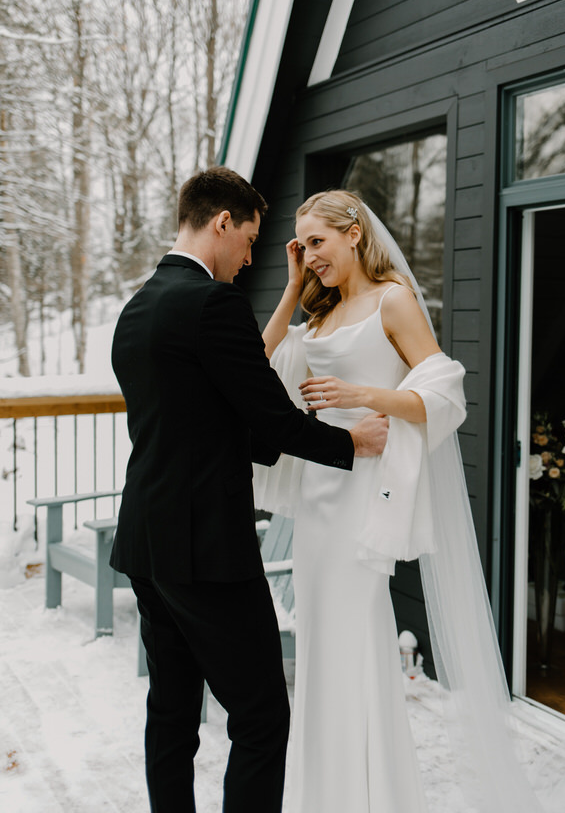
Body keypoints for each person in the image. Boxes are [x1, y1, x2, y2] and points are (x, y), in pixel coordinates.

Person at [109, 169, 388, 813]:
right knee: (262, 717)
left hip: (148, 543)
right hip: (206, 550)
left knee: (172, 710)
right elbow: (269, 416)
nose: (249, 258)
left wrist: (290, 295)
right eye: (252, 240)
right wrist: (352, 444)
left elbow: (223, 403)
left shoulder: (140, 305)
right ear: (222, 223)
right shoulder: (213, 303)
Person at [255, 189, 468, 813]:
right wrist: (294, 287)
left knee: (355, 640)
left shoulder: (391, 300)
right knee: (323, 642)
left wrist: (365, 394)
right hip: (319, 502)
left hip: (363, 497)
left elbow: (444, 393)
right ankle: (325, 792)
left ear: (354, 232)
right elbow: (257, 363)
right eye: (303, 247)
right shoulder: (318, 318)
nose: (312, 255)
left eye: (317, 242)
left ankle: (369, 796)